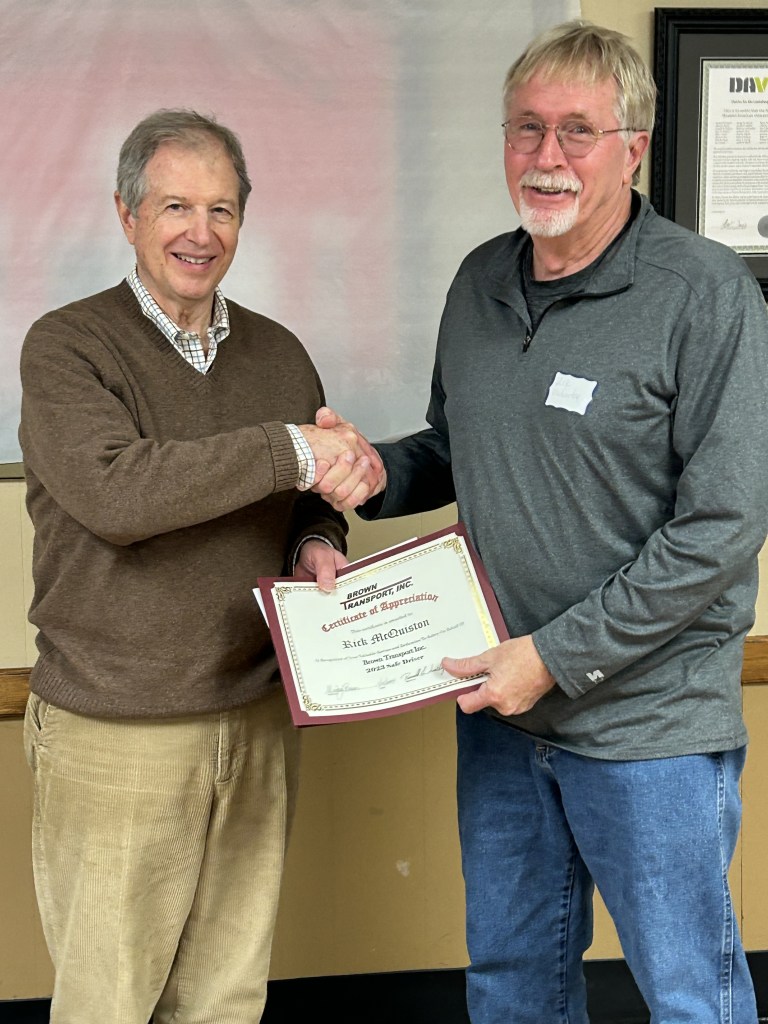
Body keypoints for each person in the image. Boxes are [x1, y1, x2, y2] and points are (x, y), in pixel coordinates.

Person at [311, 20, 768, 1024]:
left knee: (692, 998)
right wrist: (374, 472)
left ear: (633, 147)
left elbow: (723, 526)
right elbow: (458, 445)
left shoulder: (707, 296)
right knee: (513, 986)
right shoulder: (479, 280)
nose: (546, 155)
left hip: (650, 729)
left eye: (576, 130)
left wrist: (553, 657)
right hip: (503, 719)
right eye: (526, 127)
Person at [18, 108, 380, 1024]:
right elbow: (116, 494)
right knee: (109, 1002)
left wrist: (315, 541)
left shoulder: (280, 353)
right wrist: (289, 451)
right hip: (117, 727)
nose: (200, 232)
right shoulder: (67, 347)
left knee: (225, 998)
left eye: (222, 209)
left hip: (256, 717)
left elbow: (306, 499)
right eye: (175, 206)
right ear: (127, 214)